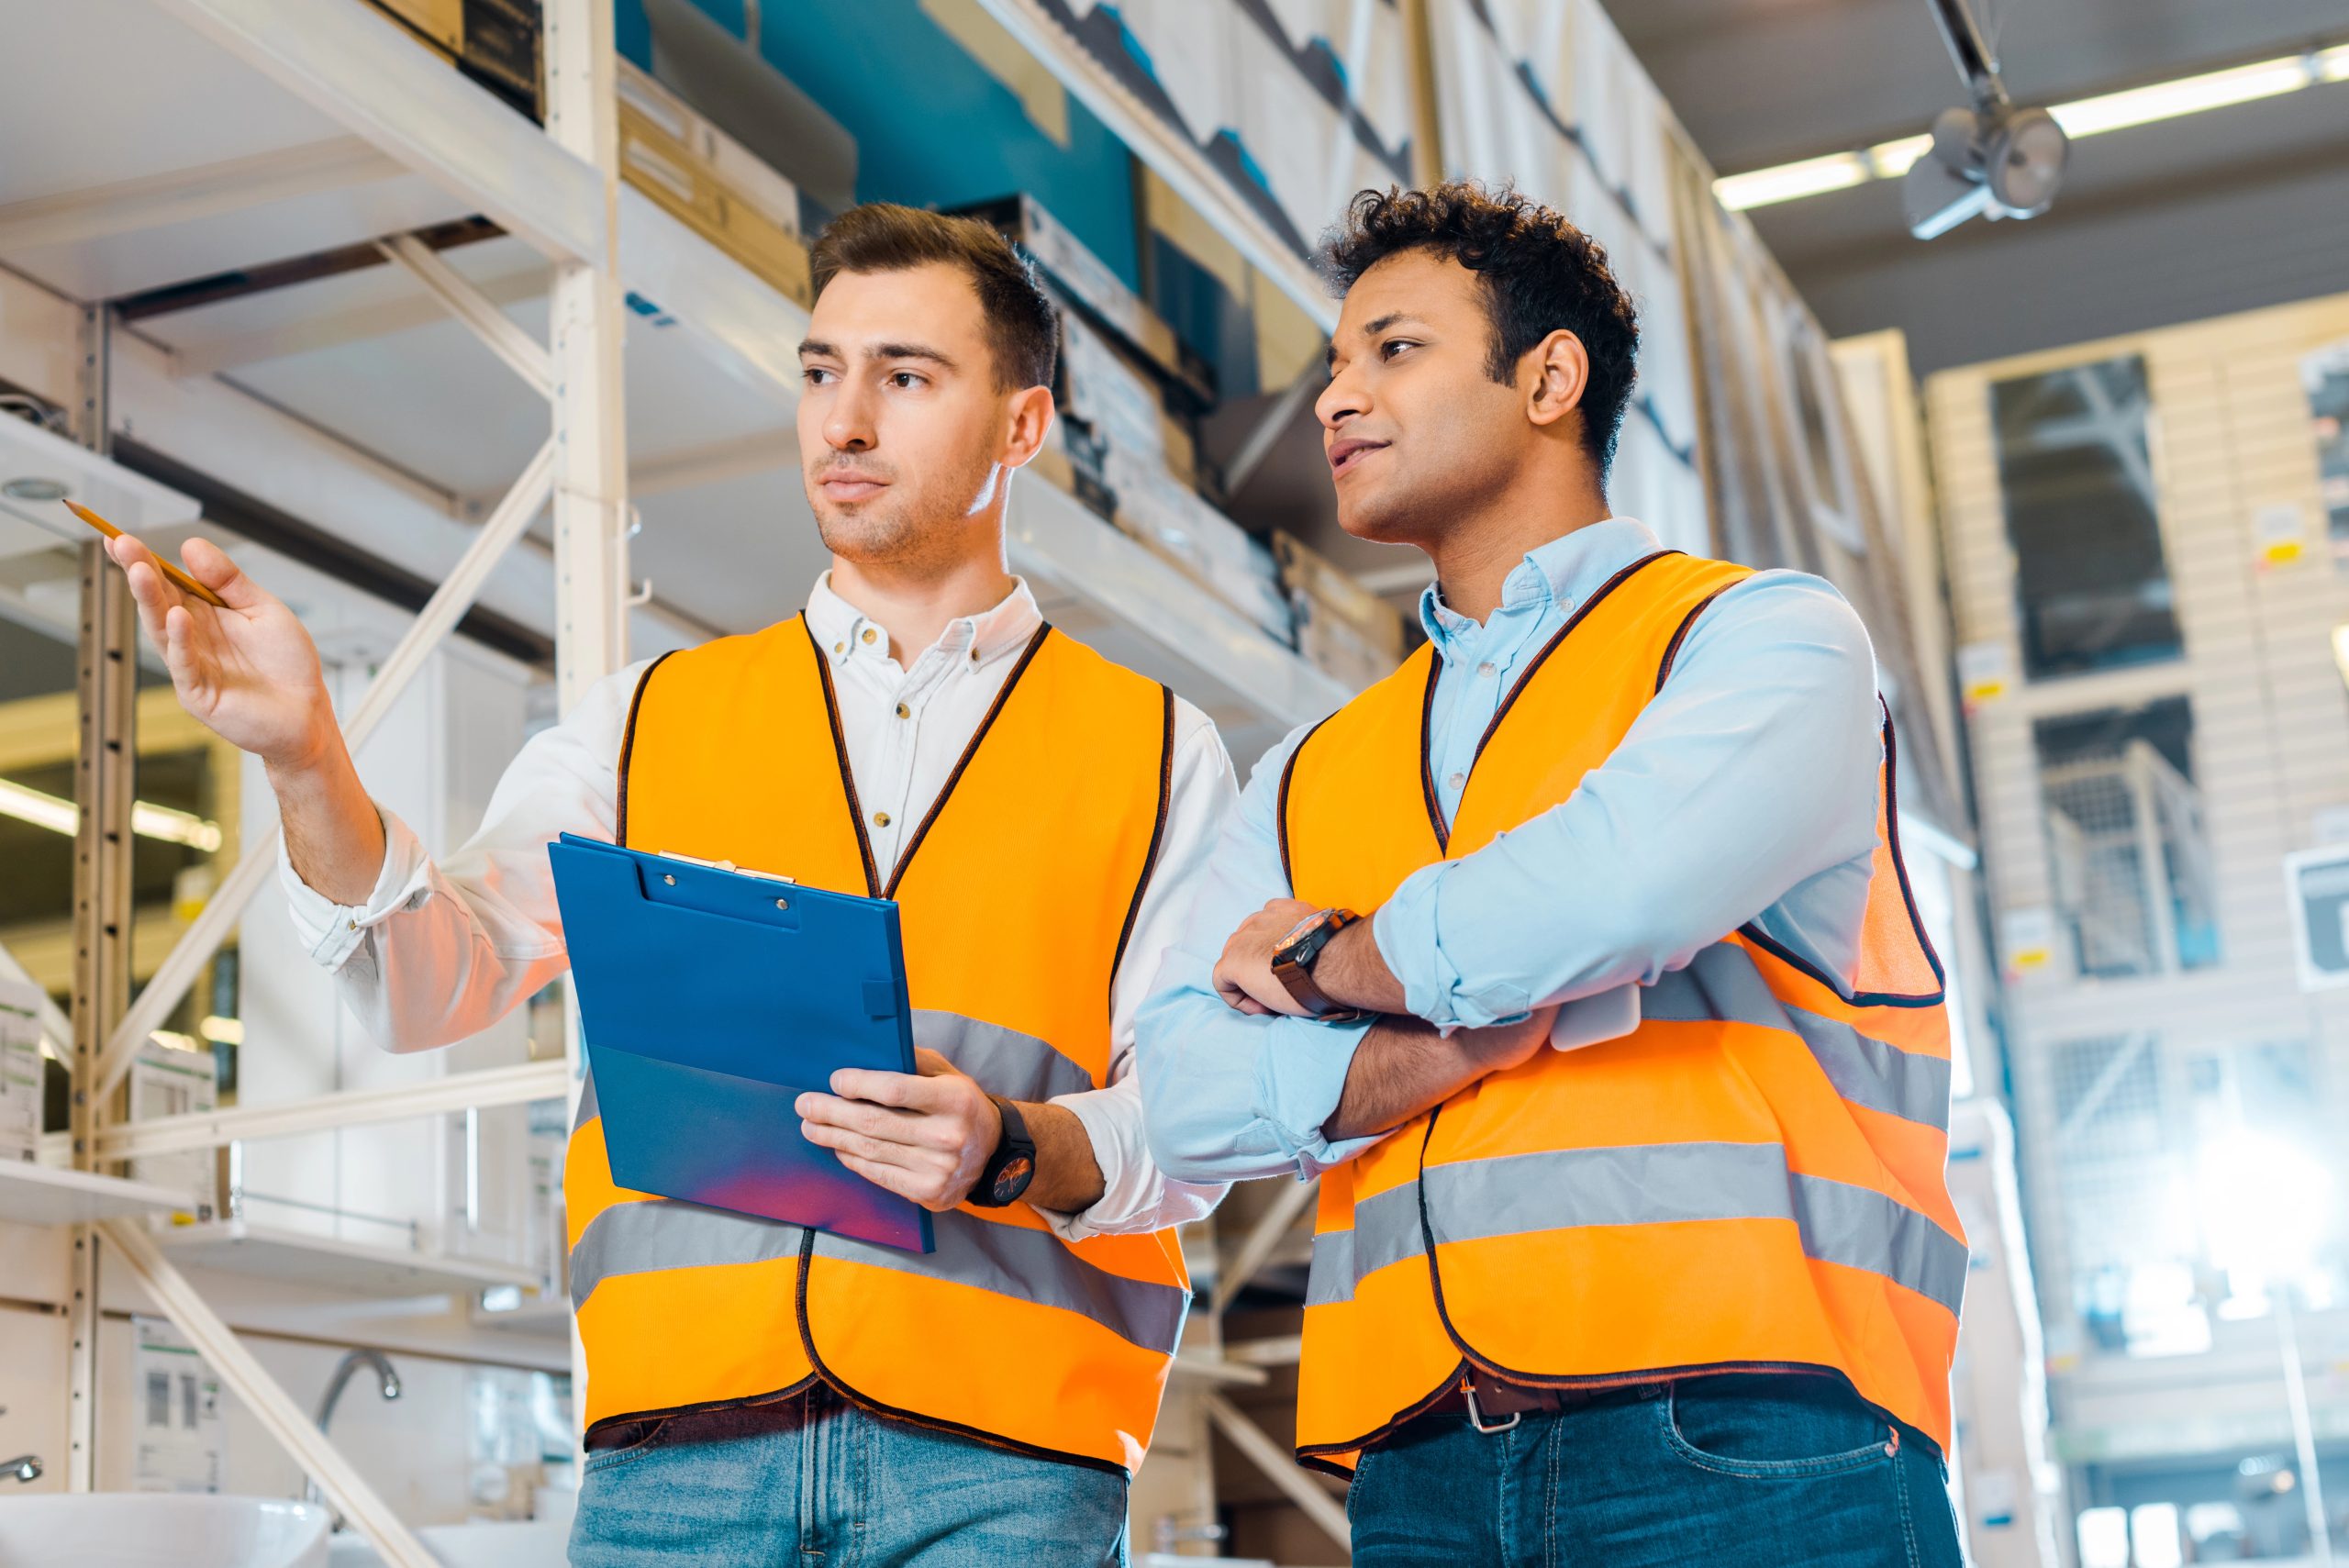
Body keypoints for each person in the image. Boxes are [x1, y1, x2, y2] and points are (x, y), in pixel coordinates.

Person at [108, 203, 1231, 1568]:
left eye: (906, 376)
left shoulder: (1158, 751)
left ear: (1021, 426)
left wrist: (1011, 1143)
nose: (845, 421)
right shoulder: (645, 719)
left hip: (1001, 1468)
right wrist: (308, 761)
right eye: (820, 372)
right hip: (680, 1463)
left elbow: (1202, 1126)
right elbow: (432, 978)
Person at [1136, 181, 1966, 1567]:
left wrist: (1324, 967)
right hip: (1420, 1474)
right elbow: (1177, 1093)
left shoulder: (1761, 642)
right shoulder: (1310, 766)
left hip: (1753, 1439)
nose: (1337, 397)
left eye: (1392, 350)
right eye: (1333, 364)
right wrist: (1423, 1058)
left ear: (1550, 377)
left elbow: (1608, 894)